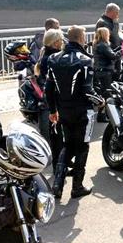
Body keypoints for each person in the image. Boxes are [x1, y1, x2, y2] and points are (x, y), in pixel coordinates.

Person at [45, 25, 103, 201]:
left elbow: (48, 88)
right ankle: (77, 186)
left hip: (63, 110)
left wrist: (53, 109)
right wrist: (101, 101)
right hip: (82, 111)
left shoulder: (53, 58)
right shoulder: (85, 60)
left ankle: (57, 185)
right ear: (80, 38)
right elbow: (87, 91)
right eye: (84, 35)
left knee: (67, 144)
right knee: (82, 146)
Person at [35, 29, 65, 169]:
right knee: (57, 134)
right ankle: (58, 165)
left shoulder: (45, 54)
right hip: (53, 100)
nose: (63, 42)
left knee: (57, 134)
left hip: (50, 98)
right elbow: (52, 83)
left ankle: (60, 161)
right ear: (55, 42)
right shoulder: (51, 58)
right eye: (60, 39)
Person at [92, 27, 120, 122]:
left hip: (99, 71)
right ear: (105, 35)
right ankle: (104, 115)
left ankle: (102, 115)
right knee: (107, 94)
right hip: (105, 72)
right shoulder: (103, 45)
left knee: (103, 93)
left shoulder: (97, 44)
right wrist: (122, 50)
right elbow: (113, 56)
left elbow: (109, 53)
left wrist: (117, 49)